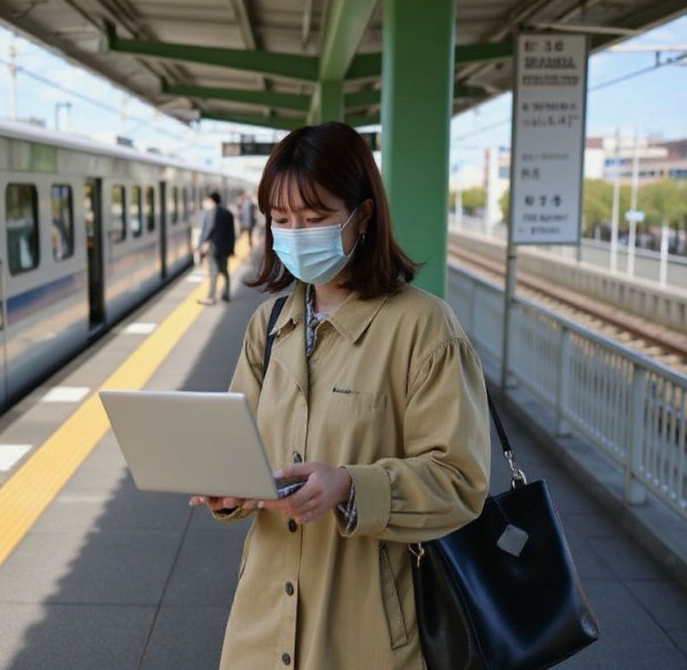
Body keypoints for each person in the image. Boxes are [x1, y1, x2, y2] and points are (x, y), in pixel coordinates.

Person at [189, 122, 492, 669]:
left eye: (316, 218)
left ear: (363, 216)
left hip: (369, 639)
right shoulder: (269, 324)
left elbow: (461, 482)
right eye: (282, 220)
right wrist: (228, 493)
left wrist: (352, 485)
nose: (296, 232)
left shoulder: (424, 328)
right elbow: (242, 453)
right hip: (259, 631)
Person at [195, 191, 236, 305]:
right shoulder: (228, 213)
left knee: (213, 271)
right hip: (226, 247)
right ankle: (227, 293)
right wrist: (232, 248)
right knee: (224, 270)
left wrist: (199, 244)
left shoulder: (210, 213)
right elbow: (232, 233)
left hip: (214, 247)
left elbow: (207, 230)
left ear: (212, 201)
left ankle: (211, 297)